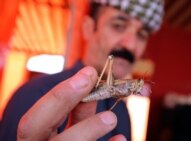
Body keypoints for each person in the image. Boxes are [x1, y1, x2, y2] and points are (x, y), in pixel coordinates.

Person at [0, 0, 165, 140]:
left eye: (142, 35)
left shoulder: (122, 111)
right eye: (118, 25)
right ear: (88, 28)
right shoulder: (35, 93)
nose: (131, 45)